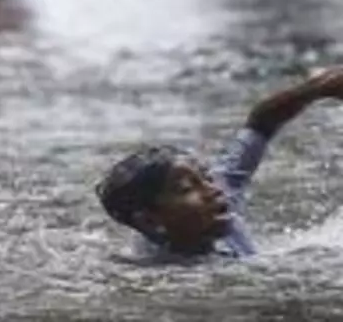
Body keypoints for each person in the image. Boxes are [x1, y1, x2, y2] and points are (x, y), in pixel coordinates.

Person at [97, 67, 343, 261]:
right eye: (186, 188)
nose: (213, 189)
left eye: (206, 177)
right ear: (150, 221)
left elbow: (260, 123)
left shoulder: (219, 196)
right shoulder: (163, 275)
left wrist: (317, 88)